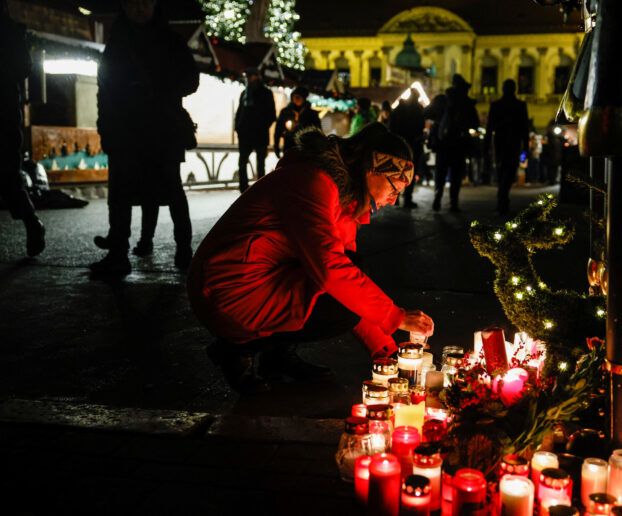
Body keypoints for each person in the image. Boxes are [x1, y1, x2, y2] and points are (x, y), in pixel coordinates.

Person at [187, 123, 435, 392]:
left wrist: (386, 351)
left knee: (347, 274)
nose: (392, 200)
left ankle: (277, 356)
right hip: (228, 289)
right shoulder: (312, 181)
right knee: (340, 301)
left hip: (265, 280)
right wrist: (395, 317)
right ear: (372, 169)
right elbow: (330, 270)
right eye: (393, 188)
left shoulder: (343, 200)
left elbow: (346, 276)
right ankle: (235, 348)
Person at [92, 0, 199, 275]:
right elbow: (104, 88)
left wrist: (159, 84)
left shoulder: (170, 41)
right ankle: (118, 254)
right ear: (124, 7)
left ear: (154, 6)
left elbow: (191, 79)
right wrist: (106, 127)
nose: (140, 8)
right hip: (126, 130)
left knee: (172, 191)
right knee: (120, 195)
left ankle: (184, 249)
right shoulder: (118, 42)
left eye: (145, 3)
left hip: (162, 130)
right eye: (133, 3)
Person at [0, 0, 45, 257]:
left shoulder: (10, 31)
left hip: (3, 113)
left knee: (7, 175)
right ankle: (32, 224)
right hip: (6, 109)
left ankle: (32, 223)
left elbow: (25, 67)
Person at [431, 74, 479, 212]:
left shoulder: (443, 100)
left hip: (443, 143)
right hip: (459, 143)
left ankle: (437, 198)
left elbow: (429, 113)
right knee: (455, 176)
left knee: (440, 174)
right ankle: (453, 203)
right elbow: (475, 123)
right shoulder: (467, 103)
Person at [485, 79, 530, 214]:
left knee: (504, 172)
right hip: (511, 144)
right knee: (507, 172)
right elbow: (525, 129)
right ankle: (503, 199)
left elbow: (489, 128)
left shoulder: (497, 105)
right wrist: (525, 147)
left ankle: (502, 198)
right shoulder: (520, 105)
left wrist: (487, 145)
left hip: (502, 143)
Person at [235, 66, 276, 192]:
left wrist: (262, 126)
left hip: (259, 133)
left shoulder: (265, 92)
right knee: (243, 162)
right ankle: (244, 188)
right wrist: (238, 127)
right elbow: (240, 111)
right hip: (246, 133)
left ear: (257, 77)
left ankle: (260, 189)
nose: (248, 78)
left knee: (260, 164)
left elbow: (271, 115)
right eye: (247, 76)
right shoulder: (245, 93)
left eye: (250, 76)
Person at [389, 88, 425, 209]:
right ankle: (407, 199)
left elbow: (392, 126)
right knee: (410, 172)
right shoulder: (418, 109)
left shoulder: (400, 108)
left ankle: (396, 197)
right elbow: (420, 128)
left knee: (398, 171)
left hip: (400, 145)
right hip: (413, 145)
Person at [274, 86, 321, 157]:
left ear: (303, 98)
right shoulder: (286, 112)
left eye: (298, 97)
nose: (295, 99)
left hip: (305, 147)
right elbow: (278, 129)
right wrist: (276, 146)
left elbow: (317, 131)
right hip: (289, 146)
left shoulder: (311, 114)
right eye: (294, 97)